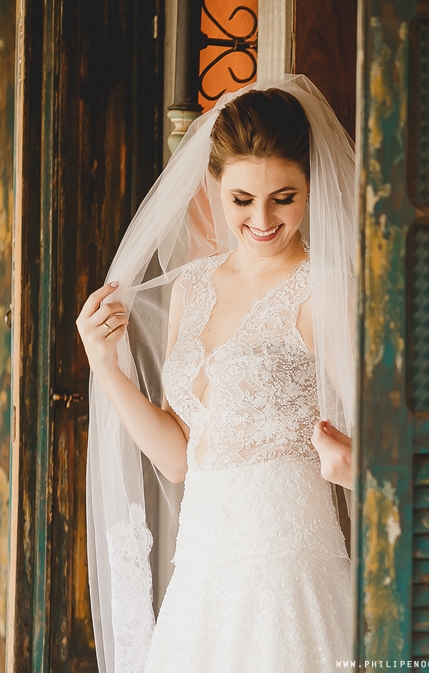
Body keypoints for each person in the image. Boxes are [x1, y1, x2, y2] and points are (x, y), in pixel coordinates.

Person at [75, 76, 358, 673]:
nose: (261, 219)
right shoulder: (192, 286)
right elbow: (181, 458)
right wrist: (107, 366)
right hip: (200, 580)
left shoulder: (324, 291)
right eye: (241, 200)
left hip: (288, 574)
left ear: (313, 187)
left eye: (284, 197)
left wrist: (356, 466)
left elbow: (388, 445)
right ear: (214, 188)